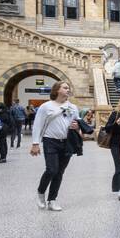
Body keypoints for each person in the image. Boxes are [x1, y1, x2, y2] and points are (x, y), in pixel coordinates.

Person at [30, 81, 81, 211]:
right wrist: (35, 143)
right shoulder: (46, 106)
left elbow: (77, 123)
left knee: (59, 173)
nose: (68, 90)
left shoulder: (73, 107)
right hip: (50, 141)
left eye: (69, 88)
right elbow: (37, 125)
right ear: (57, 90)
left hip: (67, 142)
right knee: (51, 169)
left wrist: (77, 126)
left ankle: (52, 200)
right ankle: (41, 192)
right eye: (65, 88)